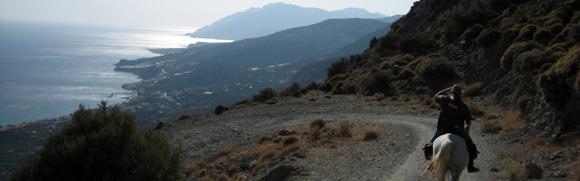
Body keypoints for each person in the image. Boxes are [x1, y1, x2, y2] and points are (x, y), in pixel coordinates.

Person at [423, 84, 479, 173]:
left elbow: (436, 96)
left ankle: (431, 164)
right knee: (470, 144)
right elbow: (468, 121)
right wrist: (467, 129)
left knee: (430, 144)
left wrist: (447, 89)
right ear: (460, 94)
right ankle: (470, 166)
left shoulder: (445, 100)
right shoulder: (462, 106)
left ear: (451, 92)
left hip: (443, 127)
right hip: (458, 129)